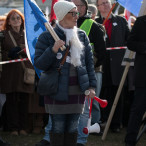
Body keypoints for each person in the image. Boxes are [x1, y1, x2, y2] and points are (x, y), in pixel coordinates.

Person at [34, 1, 97, 146]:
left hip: (78, 92)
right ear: (62, 16)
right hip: (57, 91)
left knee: (73, 128)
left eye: (77, 13)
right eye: (73, 13)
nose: (77, 16)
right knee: (58, 127)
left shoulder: (81, 35)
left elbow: (89, 64)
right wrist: (53, 50)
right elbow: (39, 63)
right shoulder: (47, 36)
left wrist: (92, 86)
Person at [95, 0, 130, 132]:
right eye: (101, 3)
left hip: (117, 64)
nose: (104, 5)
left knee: (117, 94)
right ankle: (102, 120)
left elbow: (128, 39)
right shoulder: (96, 22)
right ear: (98, 7)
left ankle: (116, 124)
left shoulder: (120, 21)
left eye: (106, 2)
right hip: (102, 64)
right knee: (103, 92)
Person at [0, 9, 35, 136]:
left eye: (18, 18)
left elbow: (35, 51)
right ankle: (13, 128)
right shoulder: (3, 35)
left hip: (25, 71)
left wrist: (24, 50)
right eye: (13, 18)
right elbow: (1, 52)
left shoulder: (28, 35)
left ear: (22, 20)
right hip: (9, 73)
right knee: (11, 101)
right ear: (8, 21)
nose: (16, 20)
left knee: (24, 101)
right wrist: (7, 54)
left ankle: (23, 127)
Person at [125, 15, 146, 146]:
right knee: (138, 108)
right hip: (144, 74)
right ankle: (130, 140)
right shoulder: (141, 21)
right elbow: (130, 43)